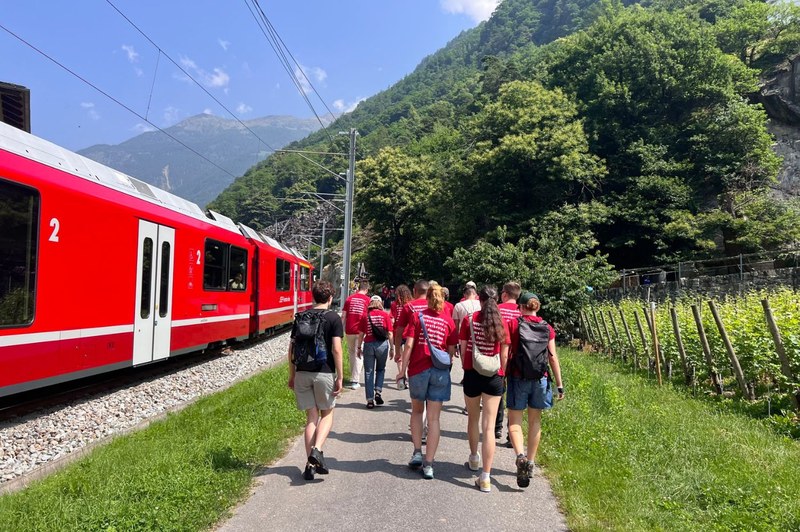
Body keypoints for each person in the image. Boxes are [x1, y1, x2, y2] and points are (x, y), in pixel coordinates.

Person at [397, 282, 458, 480]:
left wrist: (402, 370)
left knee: (416, 411)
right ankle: (429, 464)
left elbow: (409, 345)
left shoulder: (418, 316)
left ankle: (417, 452)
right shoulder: (448, 321)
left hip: (418, 369)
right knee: (434, 419)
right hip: (439, 372)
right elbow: (450, 351)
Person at [287, 280, 344, 481]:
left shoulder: (301, 316)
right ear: (330, 298)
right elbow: (336, 349)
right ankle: (317, 451)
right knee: (327, 413)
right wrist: (340, 376)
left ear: (313, 297)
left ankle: (309, 465)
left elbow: (291, 350)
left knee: (311, 418)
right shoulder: (333, 318)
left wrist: (292, 375)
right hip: (324, 372)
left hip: (302, 372)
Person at [506, 292, 564, 489]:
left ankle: (520, 456)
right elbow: (553, 357)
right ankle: (530, 463)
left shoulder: (513, 324)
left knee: (514, 423)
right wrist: (559, 384)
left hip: (517, 376)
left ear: (520, 307)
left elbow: (506, 352)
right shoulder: (547, 328)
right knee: (535, 421)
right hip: (541, 379)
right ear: (537, 307)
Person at [459, 285, 510, 492]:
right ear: (496, 300)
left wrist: (466, 369)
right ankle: (486, 476)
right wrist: (503, 375)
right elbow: (504, 355)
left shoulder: (469, 320)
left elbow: (463, 350)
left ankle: (473, 458)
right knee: (489, 427)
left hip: (472, 373)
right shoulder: (502, 322)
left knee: (472, 418)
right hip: (494, 376)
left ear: (479, 299)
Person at [495, 281, 522, 443]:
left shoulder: (498, 309)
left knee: (498, 393)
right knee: (514, 395)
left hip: (498, 357)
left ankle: (497, 428)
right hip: (519, 359)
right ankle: (512, 434)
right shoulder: (522, 311)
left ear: (505, 294)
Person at [356, 295, 394, 408]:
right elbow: (390, 333)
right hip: (382, 345)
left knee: (369, 372)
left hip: (368, 344)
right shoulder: (385, 315)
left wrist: (358, 348)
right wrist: (392, 348)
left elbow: (361, 334)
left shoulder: (365, 316)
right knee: (381, 369)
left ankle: (370, 400)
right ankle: (378, 391)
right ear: (380, 303)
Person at [395, 280, 430, 388]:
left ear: (414, 291)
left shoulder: (408, 307)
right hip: (433, 349)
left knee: (418, 390)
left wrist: (397, 352)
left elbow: (399, 332)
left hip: (414, 348)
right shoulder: (436, 306)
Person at [342, 279, 370, 389]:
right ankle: (355, 380)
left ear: (358, 289)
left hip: (349, 329)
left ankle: (353, 377)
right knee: (359, 353)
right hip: (361, 331)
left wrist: (340, 329)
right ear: (366, 289)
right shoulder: (368, 300)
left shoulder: (349, 299)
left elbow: (343, 316)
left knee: (351, 353)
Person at [391, 284, 412, 388]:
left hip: (397, 332)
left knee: (399, 355)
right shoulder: (410, 304)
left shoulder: (394, 305)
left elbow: (393, 319)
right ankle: (407, 375)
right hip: (408, 332)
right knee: (407, 356)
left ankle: (402, 375)